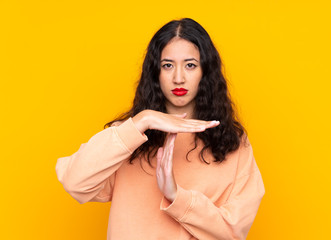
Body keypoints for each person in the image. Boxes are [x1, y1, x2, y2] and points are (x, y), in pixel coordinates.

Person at [55, 18, 265, 240]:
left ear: (206, 71)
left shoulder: (233, 142)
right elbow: (74, 183)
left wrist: (176, 196)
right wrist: (142, 121)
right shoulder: (128, 136)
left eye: (190, 65)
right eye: (168, 65)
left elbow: (233, 232)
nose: (178, 78)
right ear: (155, 72)